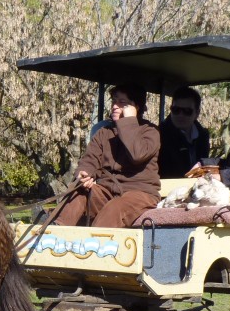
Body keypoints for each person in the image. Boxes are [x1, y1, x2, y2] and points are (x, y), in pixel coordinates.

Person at [54, 83, 161, 228]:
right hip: (107, 191)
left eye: (122, 102)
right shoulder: (104, 132)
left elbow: (137, 155)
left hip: (140, 194)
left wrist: (128, 121)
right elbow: (90, 160)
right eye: (114, 101)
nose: (115, 106)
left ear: (135, 107)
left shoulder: (150, 131)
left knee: (114, 208)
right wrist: (84, 175)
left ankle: (94, 247)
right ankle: (54, 240)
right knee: (77, 193)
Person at [158, 86, 211, 178]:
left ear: (197, 113)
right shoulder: (160, 135)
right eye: (176, 110)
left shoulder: (203, 136)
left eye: (187, 111)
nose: (180, 115)